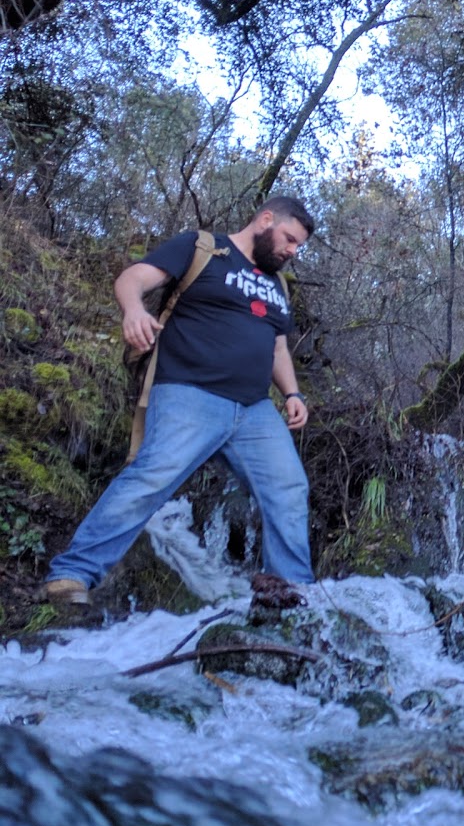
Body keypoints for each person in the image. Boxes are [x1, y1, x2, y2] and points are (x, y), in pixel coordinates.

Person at [42, 197, 317, 608]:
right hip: (190, 392)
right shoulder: (202, 248)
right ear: (264, 220)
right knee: (152, 476)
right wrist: (133, 310)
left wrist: (292, 393)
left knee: (289, 489)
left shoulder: (277, 287)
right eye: (290, 239)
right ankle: (71, 574)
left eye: (298, 247)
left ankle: (290, 593)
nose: (292, 252)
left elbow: (277, 346)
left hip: (255, 409)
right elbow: (132, 278)